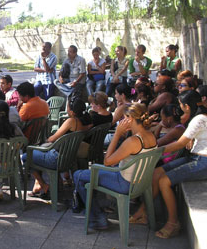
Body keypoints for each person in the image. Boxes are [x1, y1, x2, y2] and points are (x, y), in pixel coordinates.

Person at [130, 91, 207, 239]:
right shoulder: (198, 117)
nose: (180, 108)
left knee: (164, 181)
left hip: (203, 162)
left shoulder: (198, 119)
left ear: (186, 106)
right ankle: (143, 212)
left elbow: (179, 144)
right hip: (196, 157)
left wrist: (153, 151)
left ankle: (173, 223)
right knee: (156, 173)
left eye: (181, 105)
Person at [73, 103, 157, 229]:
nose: (121, 121)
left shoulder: (133, 141)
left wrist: (117, 134)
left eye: (123, 118)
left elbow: (107, 161)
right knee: (89, 178)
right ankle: (94, 210)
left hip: (124, 183)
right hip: (140, 182)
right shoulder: (151, 135)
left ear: (130, 118)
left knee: (78, 175)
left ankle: (97, 217)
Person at [22, 96, 92, 198]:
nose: (66, 109)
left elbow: (52, 139)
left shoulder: (71, 121)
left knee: (26, 155)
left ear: (72, 112)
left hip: (56, 159)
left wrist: (46, 142)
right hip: (70, 158)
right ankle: (44, 185)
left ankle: (43, 185)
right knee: (37, 152)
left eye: (68, 107)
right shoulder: (86, 121)